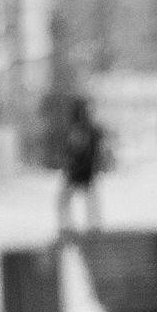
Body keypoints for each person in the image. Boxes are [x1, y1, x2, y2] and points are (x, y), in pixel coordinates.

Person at [57, 96, 106, 233]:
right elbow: (71, 151)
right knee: (69, 200)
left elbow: (87, 151)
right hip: (80, 170)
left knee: (82, 200)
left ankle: (90, 227)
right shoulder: (87, 130)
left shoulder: (86, 130)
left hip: (81, 170)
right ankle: (76, 227)